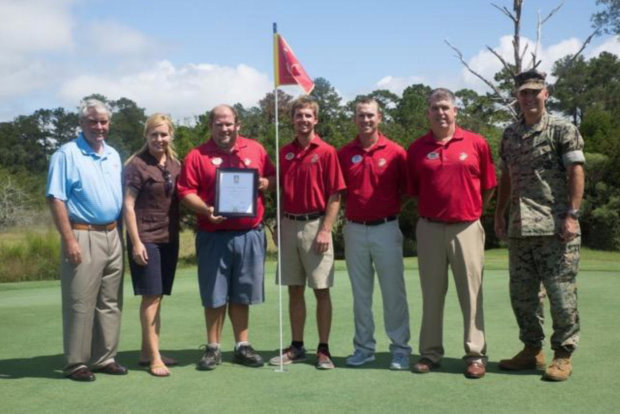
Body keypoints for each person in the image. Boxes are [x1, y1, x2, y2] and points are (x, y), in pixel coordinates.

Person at [495, 70, 585, 382]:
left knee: (561, 295)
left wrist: (572, 214)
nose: (530, 98)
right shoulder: (509, 134)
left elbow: (576, 170)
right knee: (522, 295)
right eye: (524, 93)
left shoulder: (562, 129)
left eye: (535, 92)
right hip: (521, 226)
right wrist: (499, 213)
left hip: (556, 227)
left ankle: (563, 353)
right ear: (517, 98)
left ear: (546, 93)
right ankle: (532, 351)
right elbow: (506, 177)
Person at [177, 104, 275, 370]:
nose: (224, 128)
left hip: (248, 233)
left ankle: (242, 345)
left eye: (229, 123)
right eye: (219, 124)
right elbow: (186, 190)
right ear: (211, 126)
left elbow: (272, 176)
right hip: (213, 235)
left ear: (237, 124)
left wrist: (266, 182)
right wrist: (205, 210)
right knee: (214, 294)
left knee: (242, 293)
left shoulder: (255, 149)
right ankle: (213, 347)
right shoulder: (198, 155)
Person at [407, 88, 496, 379]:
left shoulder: (476, 143)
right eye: (435, 108)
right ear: (427, 114)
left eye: (446, 107)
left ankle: (475, 354)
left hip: (467, 227)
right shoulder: (417, 148)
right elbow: (414, 190)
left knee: (471, 294)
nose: (441, 112)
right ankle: (430, 353)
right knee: (431, 294)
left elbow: (489, 184)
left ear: (455, 111)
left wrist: (474, 211)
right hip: (430, 228)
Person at [46, 98, 127, 382]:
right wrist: (69, 240)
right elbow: (56, 198)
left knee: (110, 301)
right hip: (82, 233)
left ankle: (104, 358)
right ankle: (77, 363)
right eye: (93, 121)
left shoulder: (114, 154)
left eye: (103, 121)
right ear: (82, 123)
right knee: (80, 301)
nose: (99, 126)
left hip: (113, 233)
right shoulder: (66, 154)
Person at [269, 96, 346, 370]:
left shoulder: (326, 151)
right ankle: (297, 346)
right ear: (292, 119)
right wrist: (277, 223)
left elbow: (335, 195)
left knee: (321, 289)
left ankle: (323, 349)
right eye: (298, 115)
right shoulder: (285, 152)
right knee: (294, 289)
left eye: (308, 116)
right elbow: (280, 192)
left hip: (316, 226)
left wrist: (326, 230)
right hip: (289, 224)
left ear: (316, 119)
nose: (303, 120)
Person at [338, 98, 411, 370]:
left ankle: (400, 349)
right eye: (360, 116)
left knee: (393, 293)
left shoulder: (395, 152)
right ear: (354, 119)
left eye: (370, 115)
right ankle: (364, 348)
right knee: (361, 295)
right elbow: (340, 193)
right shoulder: (344, 153)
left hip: (387, 227)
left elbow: (405, 191)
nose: (365, 120)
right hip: (355, 229)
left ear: (379, 117)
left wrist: (388, 211)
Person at [123, 113, 181, 377]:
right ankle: (155, 358)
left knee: (158, 297)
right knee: (151, 296)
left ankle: (148, 350)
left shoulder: (175, 164)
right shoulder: (136, 165)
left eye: (163, 134)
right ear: (146, 136)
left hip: (169, 238)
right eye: (154, 134)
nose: (159, 139)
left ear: (171, 135)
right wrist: (136, 243)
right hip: (145, 239)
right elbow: (128, 205)